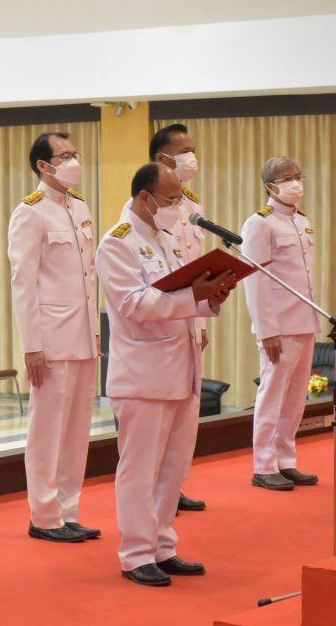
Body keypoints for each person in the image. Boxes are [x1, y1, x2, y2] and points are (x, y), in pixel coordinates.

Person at [96, 163, 234, 587]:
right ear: (144, 198)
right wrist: (192, 294)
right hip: (143, 375)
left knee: (173, 467)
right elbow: (135, 306)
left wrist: (211, 298)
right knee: (140, 469)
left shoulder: (165, 237)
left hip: (182, 369)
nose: (179, 207)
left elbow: (180, 297)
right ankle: (136, 554)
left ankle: (162, 545)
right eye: (172, 199)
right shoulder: (116, 244)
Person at [7, 132, 102, 543]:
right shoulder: (30, 212)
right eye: (64, 156)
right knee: (47, 430)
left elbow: (88, 276)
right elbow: (23, 282)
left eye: (75, 154)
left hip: (83, 336)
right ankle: (44, 515)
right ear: (44, 166)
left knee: (78, 429)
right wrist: (32, 345)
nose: (73, 161)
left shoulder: (78, 206)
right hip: (51, 339)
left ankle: (68, 510)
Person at [241, 156, 320, 491]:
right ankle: (263, 464)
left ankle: (286, 460)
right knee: (272, 395)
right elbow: (255, 281)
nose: (295, 183)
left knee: (295, 398)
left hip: (305, 320)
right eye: (288, 178)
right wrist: (267, 330)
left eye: (298, 176)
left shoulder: (301, 221)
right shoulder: (260, 223)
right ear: (270, 186)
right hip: (279, 327)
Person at [150, 124, 208, 513]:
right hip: (161, 327)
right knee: (161, 419)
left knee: (188, 416)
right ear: (162, 159)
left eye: (192, 149)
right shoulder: (151, 205)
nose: (191, 157)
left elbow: (197, 268)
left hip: (191, 321)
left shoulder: (193, 204)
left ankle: (175, 485)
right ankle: (156, 487)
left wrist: (200, 322)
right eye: (182, 151)